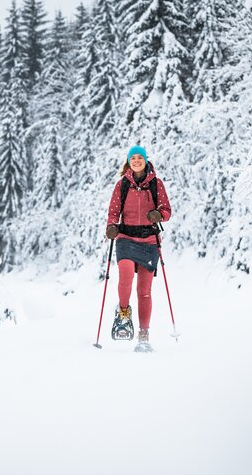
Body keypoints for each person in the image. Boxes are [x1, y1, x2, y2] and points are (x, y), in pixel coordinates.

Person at [105, 145, 171, 352]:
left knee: (144, 291)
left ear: (145, 160)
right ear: (128, 162)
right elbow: (114, 211)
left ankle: (144, 334)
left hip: (149, 240)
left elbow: (167, 210)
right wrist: (111, 226)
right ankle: (123, 313)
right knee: (125, 276)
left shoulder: (156, 184)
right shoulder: (122, 184)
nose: (136, 161)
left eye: (139, 158)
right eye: (132, 158)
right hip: (126, 237)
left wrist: (159, 216)